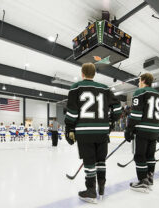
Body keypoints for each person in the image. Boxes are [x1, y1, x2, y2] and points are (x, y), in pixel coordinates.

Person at [64, 63, 121, 203]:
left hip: (84, 132)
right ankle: (101, 188)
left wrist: (69, 128)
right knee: (101, 161)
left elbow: (72, 111)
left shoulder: (76, 87)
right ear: (94, 74)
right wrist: (111, 121)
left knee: (89, 161)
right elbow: (118, 107)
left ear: (82, 73)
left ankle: (91, 191)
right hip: (102, 132)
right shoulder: (105, 88)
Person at [124, 73, 159, 192]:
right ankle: (149, 178)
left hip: (143, 130)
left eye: (139, 80)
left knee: (140, 156)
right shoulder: (158, 94)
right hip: (155, 129)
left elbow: (136, 114)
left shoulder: (140, 92)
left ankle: (142, 181)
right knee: (150, 156)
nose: (138, 82)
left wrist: (129, 128)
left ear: (143, 80)